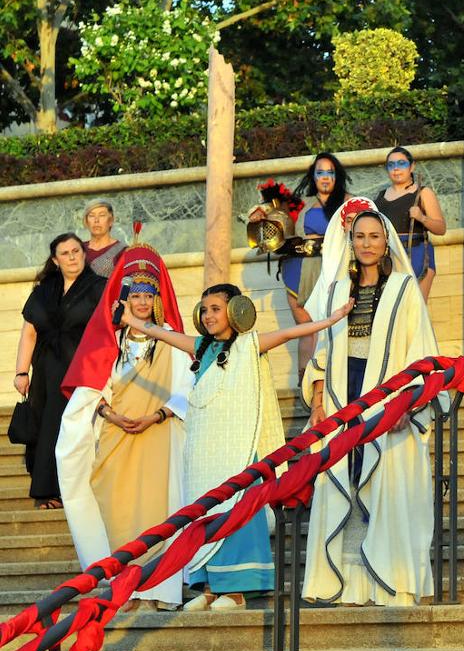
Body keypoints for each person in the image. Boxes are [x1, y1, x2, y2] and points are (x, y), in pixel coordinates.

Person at [117, 283, 352, 611]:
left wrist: (331, 319)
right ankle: (211, 587)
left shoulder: (249, 344)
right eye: (205, 310)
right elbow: (161, 333)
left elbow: (291, 333)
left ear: (235, 309)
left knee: (238, 510)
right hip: (204, 449)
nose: (208, 315)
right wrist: (131, 320)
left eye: (215, 308)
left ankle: (237, 591)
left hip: (240, 445)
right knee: (205, 512)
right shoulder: (200, 347)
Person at [301, 209, 441, 606]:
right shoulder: (336, 290)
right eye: (359, 236)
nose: (366, 243)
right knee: (344, 479)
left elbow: (421, 349)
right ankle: (342, 583)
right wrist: (316, 401)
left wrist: (405, 405)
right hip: (341, 394)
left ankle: (389, 581)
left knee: (385, 484)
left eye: (374, 237)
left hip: (387, 398)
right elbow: (323, 350)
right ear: (351, 242)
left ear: (385, 243)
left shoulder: (403, 288)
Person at [58, 244, 192, 610]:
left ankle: (159, 589)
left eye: (149, 294)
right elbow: (93, 389)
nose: (143, 301)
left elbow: (187, 388)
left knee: (157, 513)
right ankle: (123, 588)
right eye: (136, 295)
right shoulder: (111, 341)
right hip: (116, 435)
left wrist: (157, 416)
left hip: (157, 435)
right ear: (125, 299)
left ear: (157, 298)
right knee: (114, 510)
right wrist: (109, 414)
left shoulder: (171, 339)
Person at [14, 233, 107, 510]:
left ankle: (78, 490)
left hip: (82, 369)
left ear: (84, 253)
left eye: (76, 251)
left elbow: (108, 330)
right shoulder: (43, 290)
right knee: (45, 427)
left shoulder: (99, 287)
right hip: (44, 371)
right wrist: (21, 372)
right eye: (65, 253)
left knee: (75, 429)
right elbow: (29, 333)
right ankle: (47, 492)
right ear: (55, 260)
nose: (72, 257)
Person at [253, 153, 352, 379]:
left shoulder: (350, 201)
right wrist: (258, 215)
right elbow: (269, 216)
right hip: (297, 270)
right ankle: (306, 384)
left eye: (330, 172)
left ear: (337, 176)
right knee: (305, 329)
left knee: (334, 327)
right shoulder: (299, 204)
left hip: (334, 271)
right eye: (320, 172)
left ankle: (334, 382)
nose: (325, 177)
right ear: (313, 176)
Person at [374, 146, 446, 301]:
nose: (396, 169)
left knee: (416, 310)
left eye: (402, 163)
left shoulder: (423, 193)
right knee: (393, 310)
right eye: (391, 165)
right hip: (390, 256)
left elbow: (441, 229)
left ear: (412, 166)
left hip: (417, 254)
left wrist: (422, 218)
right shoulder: (380, 196)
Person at [82, 200, 126, 278]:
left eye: (102, 215)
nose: (96, 220)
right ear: (86, 221)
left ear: (111, 220)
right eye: (91, 216)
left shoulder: (122, 251)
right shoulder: (78, 249)